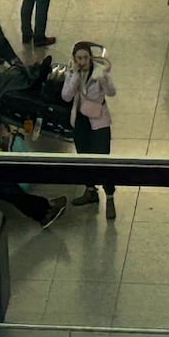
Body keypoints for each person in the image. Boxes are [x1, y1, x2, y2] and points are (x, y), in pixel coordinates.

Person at [62, 42, 116, 218]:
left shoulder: (99, 72)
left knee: (103, 159)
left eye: (85, 57)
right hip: (81, 120)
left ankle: (109, 197)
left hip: (99, 121)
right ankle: (90, 190)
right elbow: (66, 96)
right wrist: (75, 77)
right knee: (84, 156)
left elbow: (112, 92)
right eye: (79, 58)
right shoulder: (71, 73)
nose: (82, 61)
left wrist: (104, 80)